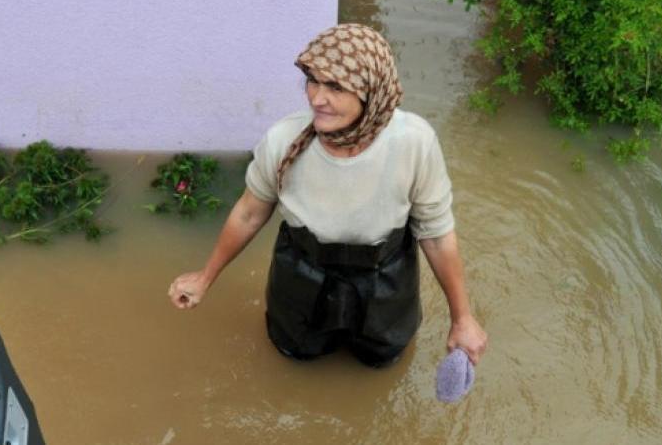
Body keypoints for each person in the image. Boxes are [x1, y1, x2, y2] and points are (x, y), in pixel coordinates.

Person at [167, 23, 487, 368]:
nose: (317, 98)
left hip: (386, 277)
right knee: (294, 354)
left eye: (335, 86)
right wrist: (205, 277)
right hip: (302, 271)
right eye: (313, 81)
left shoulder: (415, 144)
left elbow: (437, 236)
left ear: (371, 90)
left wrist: (462, 319)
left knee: (381, 360)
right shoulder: (282, 141)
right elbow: (249, 213)